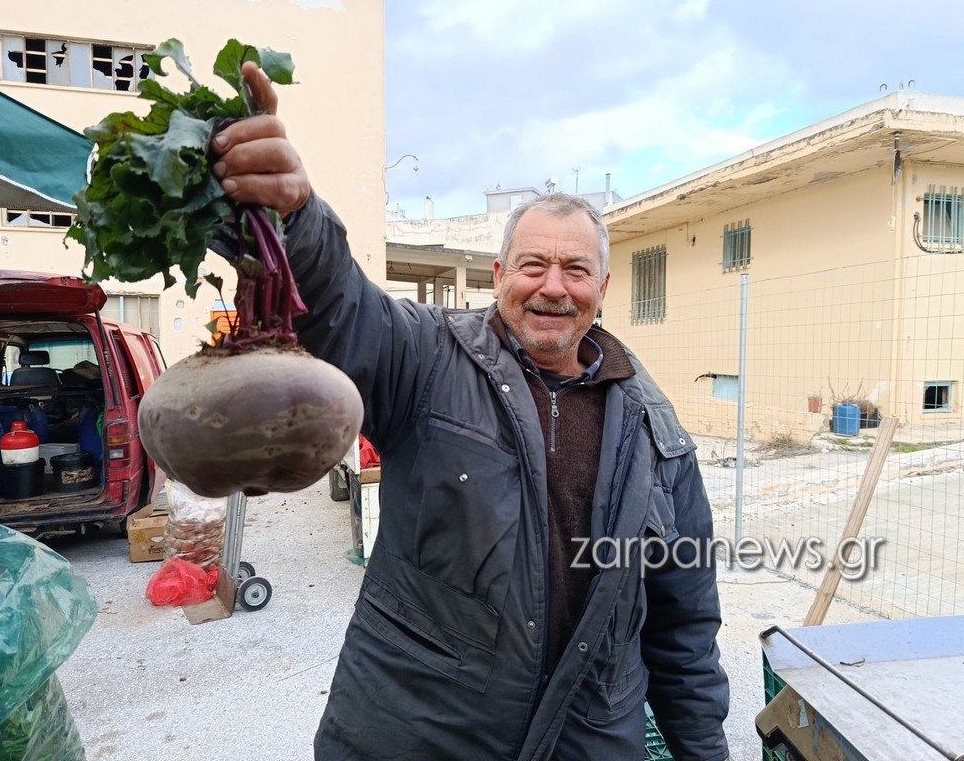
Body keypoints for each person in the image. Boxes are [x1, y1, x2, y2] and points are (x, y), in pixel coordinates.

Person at [211, 64, 729, 761]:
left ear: (602, 288)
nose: (553, 287)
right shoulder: (426, 358)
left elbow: (684, 629)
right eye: (533, 265)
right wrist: (295, 216)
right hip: (420, 736)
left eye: (575, 270)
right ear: (498, 276)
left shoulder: (656, 436)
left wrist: (705, 752)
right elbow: (341, 304)